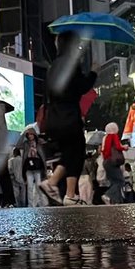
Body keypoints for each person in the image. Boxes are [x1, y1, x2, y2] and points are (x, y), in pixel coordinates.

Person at [40, 33, 97, 207]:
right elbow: (80, 87)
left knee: (70, 153)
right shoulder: (71, 63)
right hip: (68, 116)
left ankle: (68, 194)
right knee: (77, 153)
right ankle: (56, 185)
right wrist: (93, 72)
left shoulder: (53, 66)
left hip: (53, 117)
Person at [101, 122, 126, 205]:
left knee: (114, 182)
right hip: (113, 162)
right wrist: (124, 147)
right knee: (120, 181)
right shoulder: (114, 136)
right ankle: (108, 195)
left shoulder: (105, 138)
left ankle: (115, 201)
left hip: (106, 162)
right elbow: (118, 147)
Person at [21, 130, 47, 206]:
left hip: (37, 166)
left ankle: (42, 203)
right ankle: (31, 204)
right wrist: (24, 134)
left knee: (39, 186)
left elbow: (42, 154)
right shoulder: (26, 144)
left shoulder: (39, 143)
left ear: (34, 135)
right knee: (30, 187)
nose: (30, 136)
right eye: (28, 135)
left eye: (31, 134)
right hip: (28, 166)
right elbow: (18, 145)